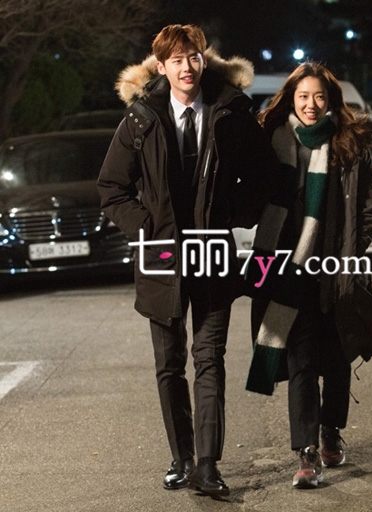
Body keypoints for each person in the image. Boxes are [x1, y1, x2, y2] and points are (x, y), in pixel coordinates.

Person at [97, 24, 277, 497]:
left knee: (210, 358)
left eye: (193, 57)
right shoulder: (141, 118)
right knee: (169, 363)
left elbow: (262, 175)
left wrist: (235, 214)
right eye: (176, 60)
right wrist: (147, 228)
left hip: (214, 254)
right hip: (161, 258)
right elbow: (111, 188)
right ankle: (181, 458)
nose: (186, 67)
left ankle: (207, 465)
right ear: (161, 66)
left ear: (204, 59)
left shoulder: (230, 111)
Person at [244, 61, 372, 489]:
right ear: (291, 100)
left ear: (330, 100)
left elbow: (369, 205)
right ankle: (306, 451)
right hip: (287, 270)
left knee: (336, 358)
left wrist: (351, 252)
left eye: (318, 97)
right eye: (303, 96)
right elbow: (253, 196)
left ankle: (331, 430)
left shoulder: (349, 143)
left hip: (333, 271)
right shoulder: (273, 142)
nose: (310, 104)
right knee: (301, 360)